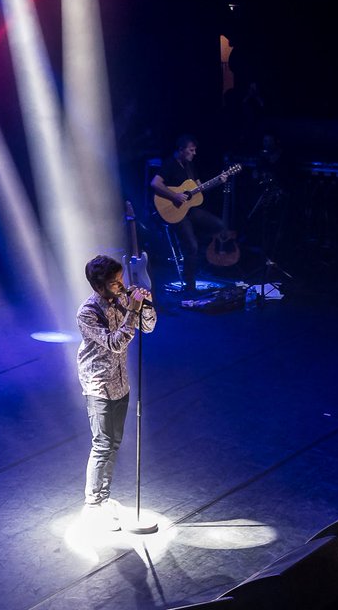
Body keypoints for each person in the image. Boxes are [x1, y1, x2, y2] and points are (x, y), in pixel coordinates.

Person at [75, 255, 156, 530]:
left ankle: (104, 498)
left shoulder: (121, 298)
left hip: (120, 382)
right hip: (98, 384)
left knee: (115, 443)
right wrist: (132, 310)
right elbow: (116, 343)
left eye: (121, 280)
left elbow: (148, 326)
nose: (120, 286)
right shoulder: (87, 312)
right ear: (99, 286)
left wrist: (145, 302)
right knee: (102, 444)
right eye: (114, 282)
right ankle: (91, 506)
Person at [150, 134, 226, 294]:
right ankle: (189, 285)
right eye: (191, 150)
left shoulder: (190, 166)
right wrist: (174, 196)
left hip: (189, 210)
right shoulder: (169, 164)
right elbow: (155, 183)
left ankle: (195, 251)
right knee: (191, 246)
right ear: (181, 150)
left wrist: (218, 181)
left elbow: (199, 188)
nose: (194, 153)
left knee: (218, 225)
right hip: (175, 212)